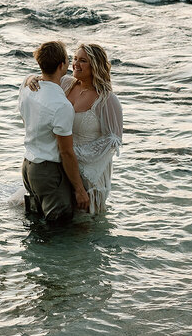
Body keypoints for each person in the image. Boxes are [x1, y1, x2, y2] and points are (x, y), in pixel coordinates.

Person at [26, 43, 123, 214]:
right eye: (75, 59)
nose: (76, 64)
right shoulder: (65, 83)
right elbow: (44, 81)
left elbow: (112, 143)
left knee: (82, 224)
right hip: (61, 165)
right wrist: (30, 79)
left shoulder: (107, 100)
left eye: (83, 61)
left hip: (88, 173)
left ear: (95, 66)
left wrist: (75, 154)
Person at [18, 41, 90, 221]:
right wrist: (79, 190)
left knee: (38, 225)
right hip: (48, 173)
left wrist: (29, 78)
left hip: (28, 166)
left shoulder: (27, 88)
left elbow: (27, 80)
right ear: (61, 66)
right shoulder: (61, 105)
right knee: (59, 229)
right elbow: (66, 152)